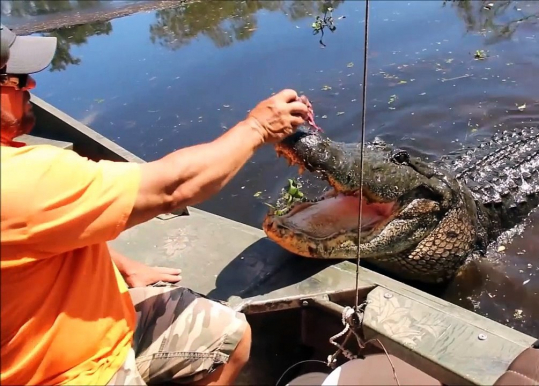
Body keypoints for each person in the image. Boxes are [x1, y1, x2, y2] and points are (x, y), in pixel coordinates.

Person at [0, 24, 310, 385]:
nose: (32, 87)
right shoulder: (20, 179)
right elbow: (172, 188)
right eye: (17, 79)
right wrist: (258, 126)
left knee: (229, 334)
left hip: (91, 324)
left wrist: (124, 266)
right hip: (74, 373)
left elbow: (33, 231)